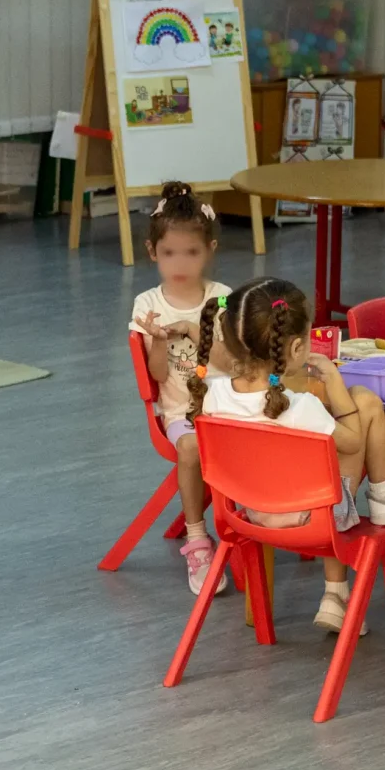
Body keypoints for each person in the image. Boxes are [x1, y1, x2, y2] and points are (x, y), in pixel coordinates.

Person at [191, 278, 385, 632]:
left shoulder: (213, 396)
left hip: (249, 512)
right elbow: (354, 441)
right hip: (311, 519)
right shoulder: (301, 406)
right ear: (296, 347)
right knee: (365, 403)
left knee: (325, 463)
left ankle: (336, 596)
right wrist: (334, 382)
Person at [128, 183, 237, 591]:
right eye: (170, 252)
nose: (181, 262)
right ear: (153, 251)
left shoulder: (223, 298)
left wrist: (194, 329)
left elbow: (233, 363)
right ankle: (197, 539)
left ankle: (268, 516)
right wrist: (158, 338)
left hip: (229, 408)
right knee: (191, 447)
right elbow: (157, 376)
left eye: (191, 252)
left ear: (209, 249)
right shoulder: (146, 304)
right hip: (179, 415)